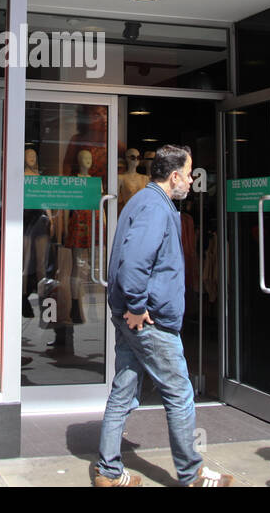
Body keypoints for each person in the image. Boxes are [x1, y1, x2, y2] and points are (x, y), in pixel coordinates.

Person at [93, 143, 232, 487]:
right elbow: (135, 263)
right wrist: (138, 306)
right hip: (149, 320)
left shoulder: (143, 200)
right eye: (187, 174)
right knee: (180, 392)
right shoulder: (156, 206)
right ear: (174, 177)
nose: (190, 181)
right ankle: (191, 474)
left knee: (124, 389)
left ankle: (108, 473)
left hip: (136, 315)